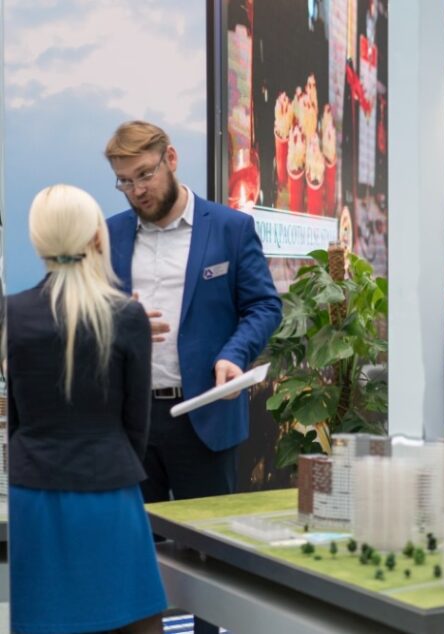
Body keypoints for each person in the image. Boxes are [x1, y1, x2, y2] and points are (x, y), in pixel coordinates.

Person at [105, 121, 282, 631]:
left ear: (171, 159)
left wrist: (234, 353)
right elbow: (88, 312)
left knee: (211, 557)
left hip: (205, 414)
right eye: (125, 181)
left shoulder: (229, 228)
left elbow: (264, 306)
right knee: (137, 557)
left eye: (144, 175)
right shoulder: (110, 234)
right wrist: (117, 320)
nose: (137, 190)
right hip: (132, 420)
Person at [7, 185, 166, 633]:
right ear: (97, 236)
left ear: (37, 240)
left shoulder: (11, 314)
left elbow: (15, 418)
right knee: (129, 619)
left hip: (32, 492)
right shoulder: (127, 316)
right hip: (109, 491)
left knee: (43, 618)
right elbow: (137, 424)